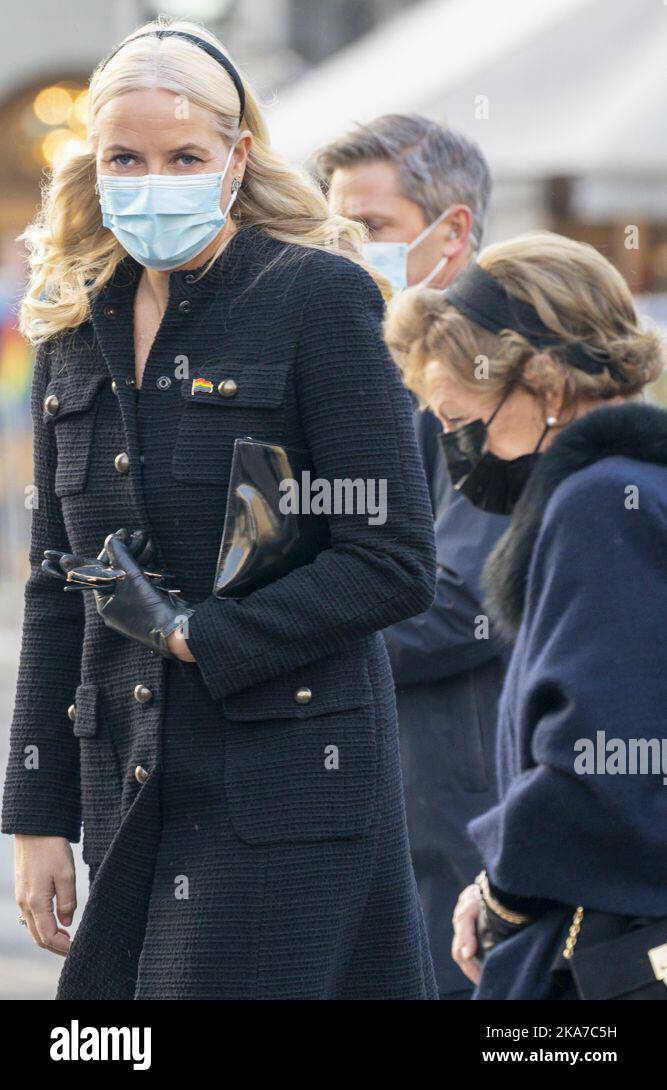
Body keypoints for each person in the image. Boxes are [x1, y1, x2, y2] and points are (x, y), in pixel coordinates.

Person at [1, 20, 439, 1001]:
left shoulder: (320, 299)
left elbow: (394, 558)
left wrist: (203, 636)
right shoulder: (73, 321)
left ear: (236, 160)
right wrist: (37, 817)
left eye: (184, 156)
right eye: (128, 157)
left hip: (287, 791)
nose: (154, 180)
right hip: (126, 783)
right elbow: (55, 580)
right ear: (96, 164)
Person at [385, 230, 667, 1000]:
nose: (454, 447)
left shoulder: (598, 504)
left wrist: (502, 892)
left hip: (606, 948)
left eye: (463, 418)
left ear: (545, 385)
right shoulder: (630, 487)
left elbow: (601, 760)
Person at [315, 114, 509, 998]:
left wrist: (278, 630)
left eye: (374, 230)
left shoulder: (498, 382)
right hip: (364, 790)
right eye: (337, 232)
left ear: (453, 233)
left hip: (453, 804)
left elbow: (468, 598)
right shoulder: (366, 364)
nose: (350, 252)